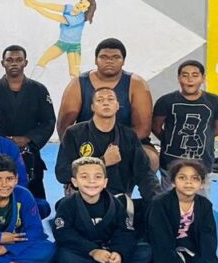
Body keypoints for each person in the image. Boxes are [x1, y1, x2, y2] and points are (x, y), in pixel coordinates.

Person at [56, 38, 158, 170]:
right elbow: (64, 126)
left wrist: (115, 147)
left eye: (116, 57)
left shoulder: (137, 84)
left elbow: (143, 129)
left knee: (151, 158)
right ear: (95, 60)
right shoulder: (78, 84)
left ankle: (135, 183)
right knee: (70, 162)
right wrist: (74, 149)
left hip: (126, 142)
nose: (109, 61)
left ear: (123, 61)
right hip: (87, 143)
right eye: (104, 57)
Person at [56, 87, 159, 216]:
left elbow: (145, 174)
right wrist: (103, 161)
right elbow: (62, 173)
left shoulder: (128, 136)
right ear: (92, 107)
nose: (105, 102)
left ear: (117, 106)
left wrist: (158, 203)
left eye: (110, 99)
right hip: (84, 199)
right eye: (100, 100)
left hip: (118, 201)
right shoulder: (74, 133)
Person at [51, 156, 154, 263]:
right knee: (64, 257)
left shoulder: (115, 204)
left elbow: (125, 232)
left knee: (146, 251)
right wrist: (93, 251)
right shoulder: (67, 205)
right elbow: (63, 234)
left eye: (98, 177)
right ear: (75, 182)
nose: (91, 181)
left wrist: (118, 253)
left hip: (109, 253)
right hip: (84, 252)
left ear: (105, 182)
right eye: (84, 177)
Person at [0, 45, 56, 200]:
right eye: (9, 60)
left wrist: (28, 139)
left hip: (29, 151)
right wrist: (2, 141)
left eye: (18, 60)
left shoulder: (39, 90)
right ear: (3, 63)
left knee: (34, 198)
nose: (14, 63)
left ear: (25, 63)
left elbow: (48, 121)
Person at [147, 159, 218, 263]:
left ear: (202, 184)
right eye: (182, 178)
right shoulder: (160, 203)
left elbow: (208, 236)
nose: (189, 182)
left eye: (195, 178)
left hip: (190, 251)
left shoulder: (204, 205)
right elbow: (160, 238)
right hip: (165, 252)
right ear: (173, 182)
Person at [152, 59, 218, 189]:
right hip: (170, 162)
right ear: (178, 78)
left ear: (203, 78)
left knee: (201, 199)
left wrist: (203, 138)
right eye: (185, 75)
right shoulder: (166, 101)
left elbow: (217, 129)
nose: (190, 79)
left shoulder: (214, 101)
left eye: (195, 75)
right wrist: (170, 140)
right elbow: (156, 126)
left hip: (203, 163)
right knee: (168, 198)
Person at [24, 0, 96, 78]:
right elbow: (53, 6)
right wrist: (36, 2)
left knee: (74, 73)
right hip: (62, 43)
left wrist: (33, 6)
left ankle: (80, 86)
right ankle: (31, 82)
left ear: (85, 10)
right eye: (81, 2)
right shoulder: (70, 8)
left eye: (83, 6)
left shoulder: (79, 18)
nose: (80, 6)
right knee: (43, 60)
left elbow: (54, 16)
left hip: (74, 47)